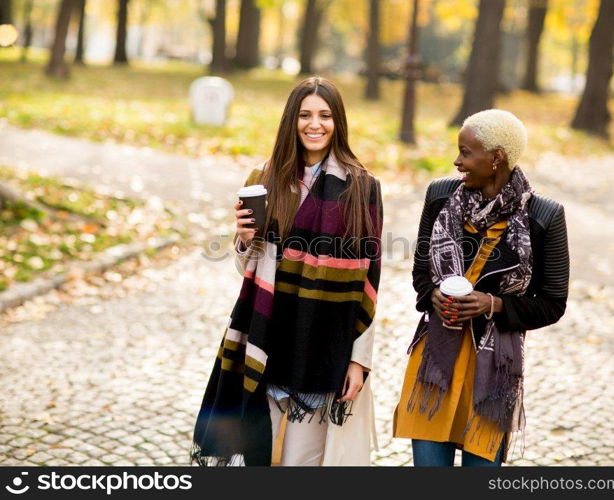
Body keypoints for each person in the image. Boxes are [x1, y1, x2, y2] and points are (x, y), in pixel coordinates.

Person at [191, 77, 382, 466]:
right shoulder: (264, 180)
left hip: (324, 344)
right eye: (305, 115)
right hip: (266, 336)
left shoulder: (362, 188)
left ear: (338, 122)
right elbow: (248, 268)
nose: (316, 124)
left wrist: (359, 361)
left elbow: (370, 279)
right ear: (291, 121)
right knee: (256, 457)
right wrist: (244, 240)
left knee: (300, 464)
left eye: (325, 116)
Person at [393, 109, 569, 466]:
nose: (457, 161)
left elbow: (553, 303)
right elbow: (420, 275)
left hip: (494, 369)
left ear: (496, 157)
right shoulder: (440, 196)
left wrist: (492, 304)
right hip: (435, 359)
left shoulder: (545, 216)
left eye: (466, 152)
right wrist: (433, 295)